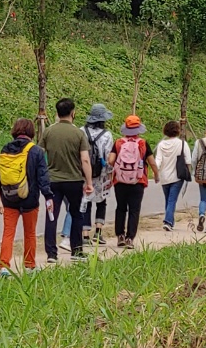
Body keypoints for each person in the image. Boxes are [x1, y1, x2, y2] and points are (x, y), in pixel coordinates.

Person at [39, 98, 93, 261]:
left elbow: (41, 154)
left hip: (53, 181)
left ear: (57, 113)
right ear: (73, 113)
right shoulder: (79, 133)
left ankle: (51, 254)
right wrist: (89, 182)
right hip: (74, 180)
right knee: (76, 214)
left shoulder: (48, 131)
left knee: (51, 216)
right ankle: (76, 251)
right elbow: (85, 159)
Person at [0, 119, 53, 273]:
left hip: (8, 198)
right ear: (31, 132)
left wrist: (0, 196)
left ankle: (4, 266)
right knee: (30, 233)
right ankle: (29, 265)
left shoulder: (5, 149)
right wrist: (48, 196)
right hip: (30, 199)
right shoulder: (36, 151)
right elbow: (43, 176)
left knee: (8, 232)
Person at [110, 115, 157, 249]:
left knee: (120, 208)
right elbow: (152, 162)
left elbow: (111, 161)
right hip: (138, 181)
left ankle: (120, 236)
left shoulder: (118, 143)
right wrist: (156, 174)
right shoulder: (143, 143)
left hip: (120, 181)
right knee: (134, 210)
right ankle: (130, 238)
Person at [82, 104, 115, 244]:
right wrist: (110, 174)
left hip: (84, 172)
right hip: (101, 174)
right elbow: (109, 157)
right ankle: (98, 233)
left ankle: (84, 235)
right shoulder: (107, 135)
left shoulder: (81, 131)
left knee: (86, 201)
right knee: (102, 202)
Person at [153, 120, 187, 232]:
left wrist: (156, 173)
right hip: (177, 176)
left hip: (164, 176)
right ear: (178, 131)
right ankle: (168, 222)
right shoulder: (182, 143)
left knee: (168, 199)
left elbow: (158, 161)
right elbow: (189, 160)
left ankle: (170, 222)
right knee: (172, 200)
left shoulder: (162, 145)